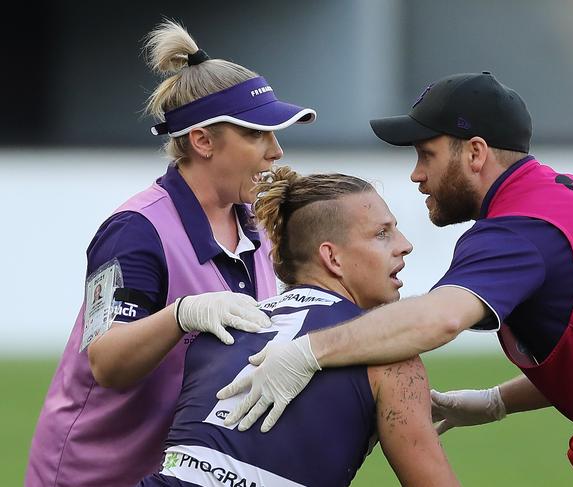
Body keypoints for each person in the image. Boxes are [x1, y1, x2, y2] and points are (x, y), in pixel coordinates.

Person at [218, 72, 573, 457]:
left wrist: (308, 352)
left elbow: (439, 318)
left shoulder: (517, 229)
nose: (416, 174)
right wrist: (497, 401)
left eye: (427, 154)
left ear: (475, 153)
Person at [26, 20, 315, 486]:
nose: (276, 151)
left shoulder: (255, 224)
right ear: (202, 141)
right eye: (257, 135)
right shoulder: (134, 231)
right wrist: (181, 314)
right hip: (94, 475)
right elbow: (106, 361)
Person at [138, 166, 460, 487]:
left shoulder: (216, 333)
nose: (404, 245)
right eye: (382, 233)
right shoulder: (389, 354)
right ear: (332, 258)